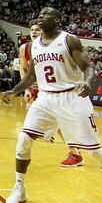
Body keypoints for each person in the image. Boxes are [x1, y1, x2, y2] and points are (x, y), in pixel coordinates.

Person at [2, 7, 102, 203]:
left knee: (95, 153)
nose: (41, 15)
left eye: (46, 13)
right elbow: (32, 77)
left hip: (72, 97)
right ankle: (20, 188)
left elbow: (89, 67)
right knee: (24, 140)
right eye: (40, 13)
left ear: (57, 20)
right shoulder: (34, 46)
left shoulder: (69, 40)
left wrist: (89, 82)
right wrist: (13, 90)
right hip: (45, 98)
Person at [19, 21, 82, 167]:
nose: (34, 32)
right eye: (32, 30)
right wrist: (26, 88)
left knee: (58, 122)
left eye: (38, 30)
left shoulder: (55, 46)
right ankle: (75, 150)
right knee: (55, 123)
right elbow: (23, 68)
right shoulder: (25, 48)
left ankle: (76, 151)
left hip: (55, 90)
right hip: (39, 90)